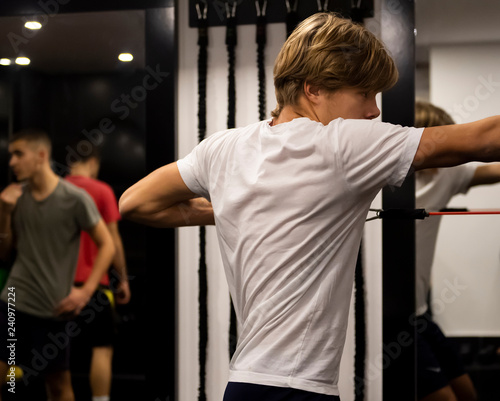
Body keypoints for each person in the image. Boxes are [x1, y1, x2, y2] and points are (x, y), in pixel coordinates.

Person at [119, 12, 500, 401]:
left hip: (244, 386)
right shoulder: (343, 144)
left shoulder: (223, 147)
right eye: (364, 94)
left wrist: (232, 210)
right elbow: (485, 140)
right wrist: (226, 211)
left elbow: (133, 203)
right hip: (298, 390)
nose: (374, 111)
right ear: (314, 89)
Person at [0, 129, 115, 401]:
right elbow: (4, 253)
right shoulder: (15, 198)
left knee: (59, 386)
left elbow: (107, 245)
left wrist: (85, 292)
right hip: (15, 300)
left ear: (40, 155)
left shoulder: (74, 198)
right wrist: (4, 212)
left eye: (18, 154)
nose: (12, 162)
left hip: (53, 310)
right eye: (11, 155)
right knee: (3, 377)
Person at [414, 100, 500, 401]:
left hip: (420, 314)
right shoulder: (383, 179)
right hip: (393, 319)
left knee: (468, 394)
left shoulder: (446, 175)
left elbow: (492, 171)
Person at [65, 143, 131, 401]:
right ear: (93, 162)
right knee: (101, 349)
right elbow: (113, 241)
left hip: (59, 285)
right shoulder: (101, 191)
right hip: (96, 287)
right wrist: (123, 278)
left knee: (59, 352)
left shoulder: (55, 190)